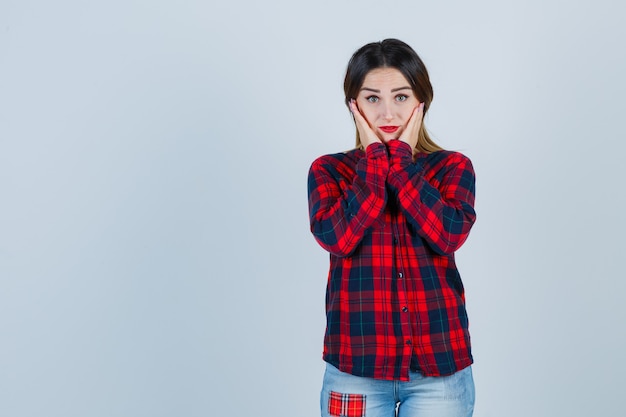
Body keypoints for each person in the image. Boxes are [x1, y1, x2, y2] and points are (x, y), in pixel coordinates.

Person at [307, 39, 477, 417]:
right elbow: (339, 237)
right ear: (354, 104)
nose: (387, 112)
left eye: (401, 97)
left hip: (440, 373)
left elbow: (447, 235)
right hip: (355, 372)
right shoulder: (329, 171)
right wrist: (373, 163)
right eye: (372, 98)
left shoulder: (452, 168)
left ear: (421, 102)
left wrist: (399, 159)